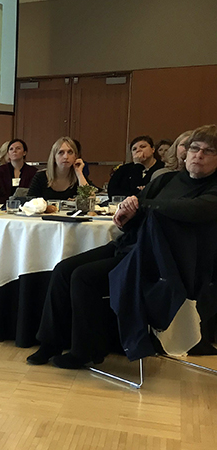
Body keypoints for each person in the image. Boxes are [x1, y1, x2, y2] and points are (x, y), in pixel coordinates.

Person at [26, 124, 217, 369]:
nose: (198, 155)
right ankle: (51, 342)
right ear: (186, 152)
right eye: (195, 149)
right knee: (63, 269)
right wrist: (127, 216)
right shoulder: (167, 180)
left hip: (167, 266)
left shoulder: (212, 190)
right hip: (134, 248)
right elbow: (140, 214)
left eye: (208, 151)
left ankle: (85, 350)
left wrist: (143, 206)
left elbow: (189, 210)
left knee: (83, 277)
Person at [0, 139, 37, 205]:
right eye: (11, 149)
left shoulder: (33, 172)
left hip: (26, 207)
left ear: (24, 152)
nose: (14, 151)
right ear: (8, 154)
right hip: (1, 207)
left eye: (18, 148)